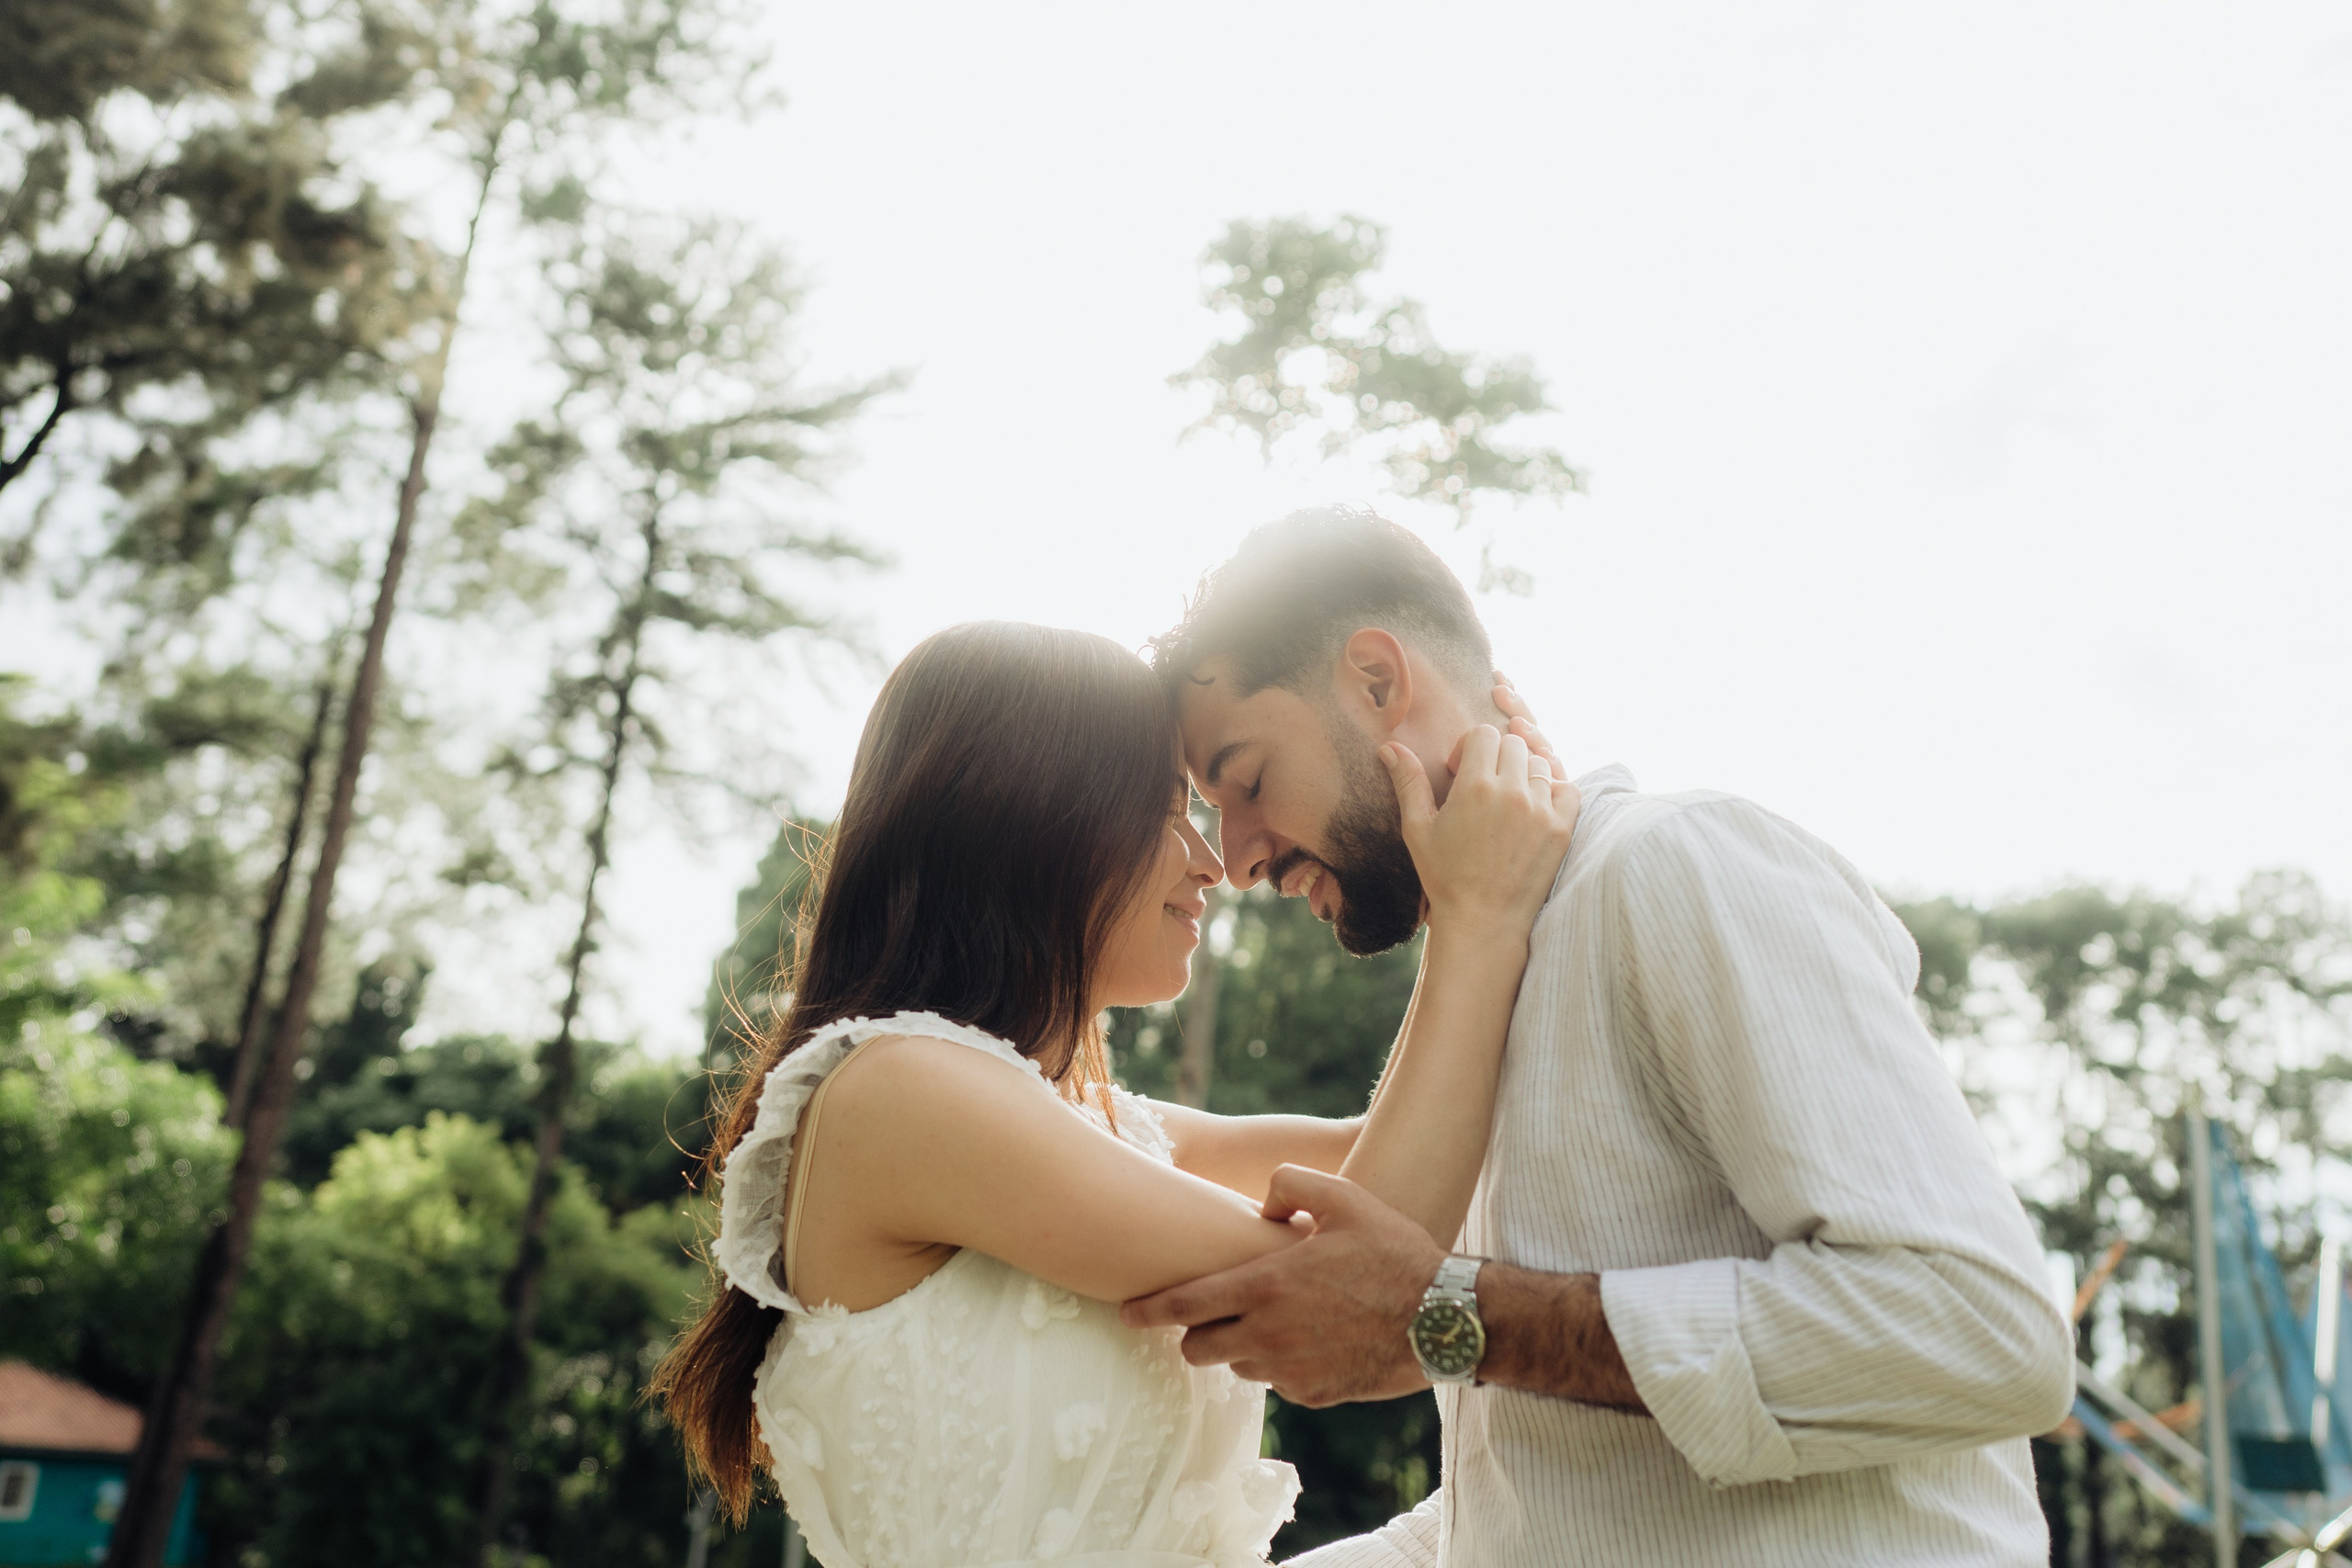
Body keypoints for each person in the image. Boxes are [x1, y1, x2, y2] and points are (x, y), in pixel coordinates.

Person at [1125, 507, 2076, 1567]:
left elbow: (1982, 1331)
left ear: (1377, 683)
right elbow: (1552, 1494)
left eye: (1246, 781)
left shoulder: (1672, 864)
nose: (1240, 858)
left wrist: (1446, 1314)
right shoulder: (1486, 983)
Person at [651, 620, 1579, 1568]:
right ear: (1034, 815)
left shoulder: (1100, 1129)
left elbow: (1401, 1144)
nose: (1211, 861)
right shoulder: (898, 1092)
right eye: (1166, 811)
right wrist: (1473, 909)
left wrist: (1479, 858)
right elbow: (1368, 1267)